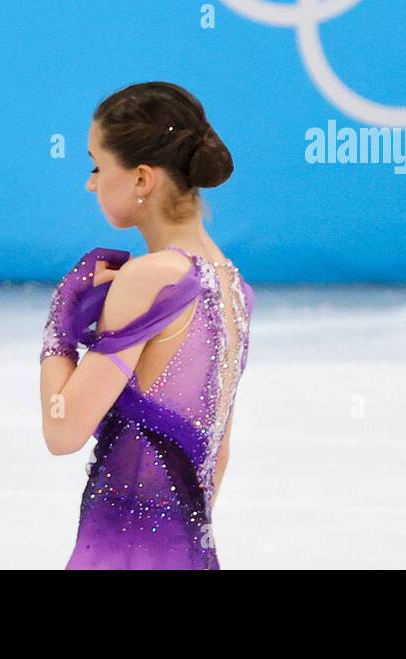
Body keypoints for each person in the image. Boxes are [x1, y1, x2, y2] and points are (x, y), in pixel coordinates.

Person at [37, 81, 254, 569]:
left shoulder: (149, 279)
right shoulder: (232, 285)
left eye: (97, 165)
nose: (90, 182)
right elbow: (215, 456)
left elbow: (62, 430)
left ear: (141, 179)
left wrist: (60, 323)